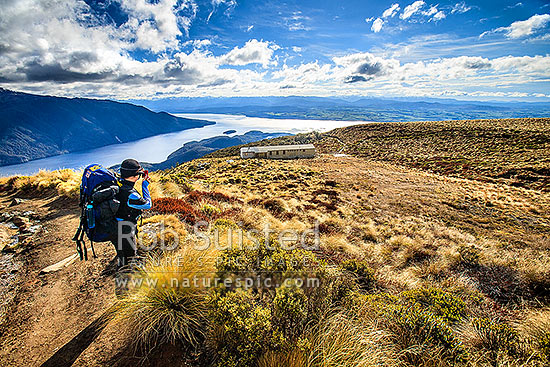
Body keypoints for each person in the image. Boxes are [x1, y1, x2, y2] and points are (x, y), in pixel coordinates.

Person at [112, 158, 152, 268]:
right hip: (125, 227)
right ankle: (127, 275)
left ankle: (122, 260)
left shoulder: (118, 183)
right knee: (129, 254)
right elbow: (147, 204)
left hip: (114, 223)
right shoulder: (130, 194)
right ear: (135, 176)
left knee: (121, 249)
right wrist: (145, 186)